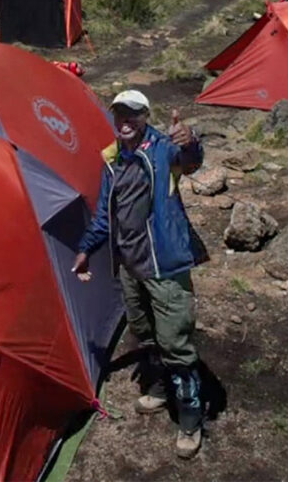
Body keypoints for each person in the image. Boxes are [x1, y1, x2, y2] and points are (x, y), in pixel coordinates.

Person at [72, 89, 207, 459]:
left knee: (175, 343)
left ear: (146, 116)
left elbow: (189, 160)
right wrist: (86, 249)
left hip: (163, 266)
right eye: (119, 114)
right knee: (145, 334)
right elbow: (104, 215)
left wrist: (191, 141)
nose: (125, 121)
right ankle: (162, 390)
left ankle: (191, 420)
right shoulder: (113, 160)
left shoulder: (162, 150)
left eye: (133, 114)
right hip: (131, 268)